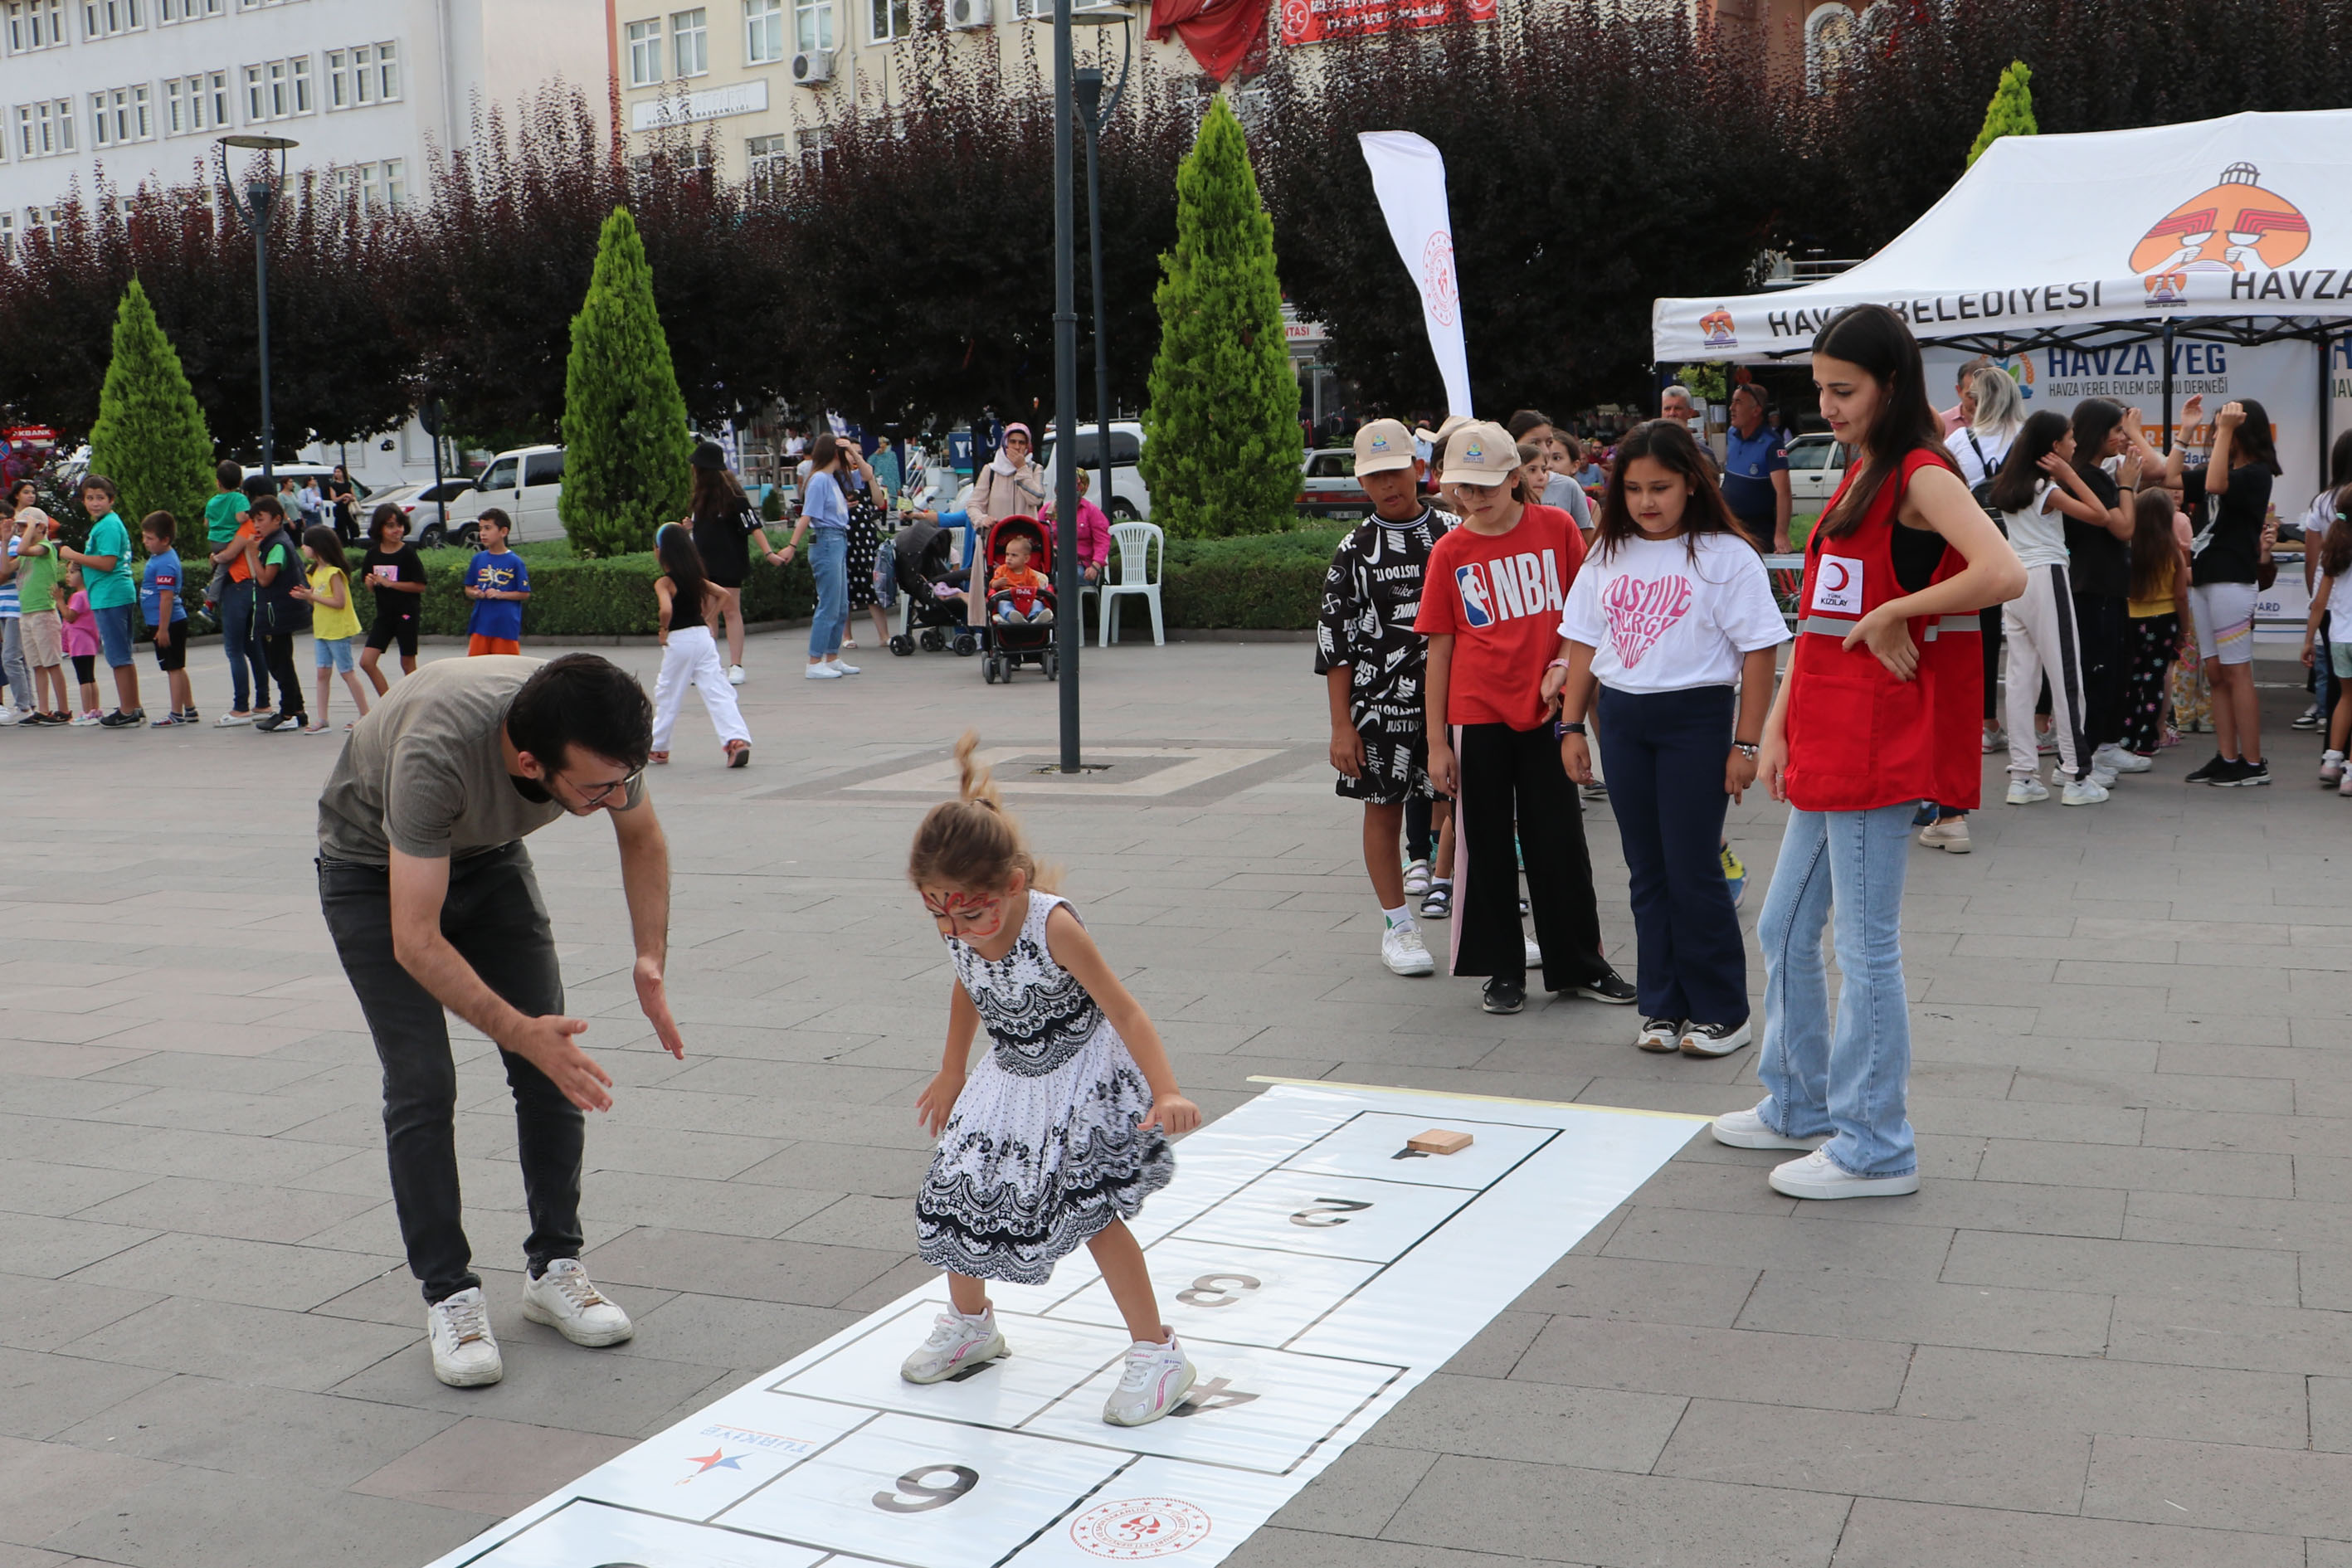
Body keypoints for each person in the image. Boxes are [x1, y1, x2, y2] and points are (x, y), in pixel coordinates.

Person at [1712, 304, 2023, 1200]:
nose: (1828, 405)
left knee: (1864, 945)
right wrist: (1778, 727)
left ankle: (1876, 1143)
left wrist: (1899, 611)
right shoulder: (1865, 471)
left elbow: (2002, 570)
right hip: (1833, 734)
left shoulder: (1920, 474)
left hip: (1876, 746)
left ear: (1890, 385)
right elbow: (1820, 620)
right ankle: (1801, 1102)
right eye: (1818, 389)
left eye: (1843, 390)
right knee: (1783, 928)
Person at [317, 653, 680, 1387]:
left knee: (553, 1064)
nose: (613, 797)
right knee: (422, 1081)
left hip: (487, 857)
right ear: (527, 760)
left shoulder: (592, 729)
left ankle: (555, 1267)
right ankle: (449, 1293)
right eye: (594, 789)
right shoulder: (437, 752)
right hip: (369, 868)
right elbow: (414, 939)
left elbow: (641, 835)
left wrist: (648, 957)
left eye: (621, 782)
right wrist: (516, 1029)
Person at [903, 733, 1201, 1426]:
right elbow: (966, 985)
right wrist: (952, 1069)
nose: (955, 927)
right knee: (957, 1193)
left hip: (1080, 1077)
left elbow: (1123, 1008)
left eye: (969, 912)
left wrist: (1167, 1090)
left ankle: (1159, 1354)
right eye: (937, 912)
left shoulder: (1052, 924)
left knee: (1093, 1212)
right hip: (1010, 1072)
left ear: (1011, 884)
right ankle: (970, 1325)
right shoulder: (959, 922)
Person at [1551, 420, 1787, 1057]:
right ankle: (1661, 1008)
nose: (1646, 502)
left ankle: (1723, 1013)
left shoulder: (1725, 555)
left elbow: (1760, 652)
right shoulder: (1605, 552)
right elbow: (1582, 643)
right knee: (1645, 871)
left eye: (1660, 487)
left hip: (1697, 721)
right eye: (1632, 489)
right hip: (1623, 721)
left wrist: (1745, 745)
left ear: (1691, 484)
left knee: (1692, 870)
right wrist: (1571, 726)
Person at [1417, 420, 1635, 1016]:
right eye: (1463, 486)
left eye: (1488, 483)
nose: (1475, 496)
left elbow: (1586, 616)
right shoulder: (1450, 551)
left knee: (1558, 839)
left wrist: (1564, 667)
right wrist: (1436, 744)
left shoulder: (1558, 528)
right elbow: (1438, 649)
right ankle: (1501, 971)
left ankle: (1579, 965)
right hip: (1474, 714)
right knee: (1484, 844)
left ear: (1517, 477)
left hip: (1546, 712)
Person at [1317, 418, 1454, 979]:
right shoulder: (1352, 551)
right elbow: (1335, 644)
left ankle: (1484, 915)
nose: (1387, 486)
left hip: (1458, 703)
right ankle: (1398, 926)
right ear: (1360, 482)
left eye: (1395, 472)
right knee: (1383, 811)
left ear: (1418, 469)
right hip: (1379, 707)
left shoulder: (1454, 531)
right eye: (1374, 477)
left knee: (1473, 810)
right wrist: (1340, 727)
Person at [1986, 411, 2110, 805]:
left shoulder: (2011, 484)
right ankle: (2075, 776)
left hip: (2016, 580)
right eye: (2070, 438)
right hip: (2046, 576)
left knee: (2022, 681)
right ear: (2055, 446)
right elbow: (2100, 515)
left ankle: (2023, 777)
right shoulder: (2046, 488)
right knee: (2065, 676)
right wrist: (2070, 475)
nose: (2075, 444)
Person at [2173, 394, 2281, 786]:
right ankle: (2227, 755)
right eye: (2217, 427)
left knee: (2237, 673)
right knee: (2216, 672)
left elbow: (2217, 483)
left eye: (2226, 427)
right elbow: (2169, 476)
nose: (2218, 432)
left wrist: (2224, 431)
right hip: (2204, 578)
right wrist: (2185, 431)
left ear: (2242, 431)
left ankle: (2253, 763)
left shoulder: (2256, 474)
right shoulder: (2218, 466)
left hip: (2232, 580)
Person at [2065, 399, 2164, 785]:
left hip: (2105, 585)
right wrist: (2126, 483)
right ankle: (2079, 758)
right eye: (2117, 430)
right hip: (2092, 587)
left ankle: (2102, 745)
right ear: (2097, 431)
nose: (2122, 438)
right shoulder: (2087, 477)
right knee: (2097, 672)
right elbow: (2123, 527)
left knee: (2114, 670)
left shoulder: (2092, 475)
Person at [1945, 365, 2027, 758]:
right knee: (2031, 641)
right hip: (2026, 546)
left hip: (1976, 548)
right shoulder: (2028, 437)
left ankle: (1986, 722)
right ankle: (2039, 724)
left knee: (1984, 635)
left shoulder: (1961, 439)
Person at [650, 523, 752, 768]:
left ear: (662, 552)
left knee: (668, 692)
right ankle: (736, 739)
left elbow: (666, 608)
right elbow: (723, 595)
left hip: (679, 640)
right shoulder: (696, 579)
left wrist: (663, 629)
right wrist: (709, 618)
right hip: (703, 638)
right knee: (717, 690)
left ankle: (659, 746)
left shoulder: (664, 583)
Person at [685, 441, 786, 684]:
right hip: (704, 565)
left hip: (730, 562)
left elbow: (754, 527)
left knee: (730, 611)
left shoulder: (735, 498)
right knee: (706, 614)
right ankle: (707, 667)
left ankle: (736, 665)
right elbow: (700, 528)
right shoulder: (699, 499)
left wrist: (769, 553)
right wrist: (689, 527)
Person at [52, 475, 144, 728]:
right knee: (122, 654)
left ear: (111, 500)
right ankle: (133, 706)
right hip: (111, 594)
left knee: (117, 656)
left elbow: (108, 562)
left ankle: (127, 710)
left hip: (111, 594)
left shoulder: (108, 526)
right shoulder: (104, 524)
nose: (95, 503)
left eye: (100, 498)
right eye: (90, 498)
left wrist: (74, 555)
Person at [2122, 489, 2191, 764]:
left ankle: (2126, 736)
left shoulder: (2128, 549)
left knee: (2132, 679)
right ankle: (2149, 739)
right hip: (2164, 620)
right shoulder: (2173, 552)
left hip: (2131, 618)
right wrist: (2184, 631)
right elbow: (2181, 596)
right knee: (2155, 679)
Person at [782, 433, 855, 679]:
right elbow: (808, 515)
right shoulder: (819, 481)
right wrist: (792, 545)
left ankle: (831, 657)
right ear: (835, 453)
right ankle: (814, 661)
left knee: (841, 604)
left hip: (837, 540)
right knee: (829, 605)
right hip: (826, 541)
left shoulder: (831, 479)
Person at [204, 461, 268, 723]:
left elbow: (228, 554)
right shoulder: (258, 525)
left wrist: (216, 558)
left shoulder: (245, 526)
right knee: (253, 647)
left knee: (234, 649)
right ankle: (262, 703)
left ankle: (240, 707)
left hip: (236, 584)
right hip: (251, 585)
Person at [295, 525, 370, 733]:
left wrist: (311, 597)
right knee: (322, 673)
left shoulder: (334, 573)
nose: (303, 547)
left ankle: (365, 714)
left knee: (347, 672)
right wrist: (306, 596)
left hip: (338, 630)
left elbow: (339, 602)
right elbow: (318, 601)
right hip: (322, 630)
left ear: (317, 547)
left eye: (307, 544)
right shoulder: (313, 572)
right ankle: (322, 719)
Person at [244, 494, 309, 733]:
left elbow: (264, 579)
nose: (257, 525)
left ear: (277, 519)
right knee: (281, 662)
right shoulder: (273, 543)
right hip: (275, 614)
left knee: (280, 663)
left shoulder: (278, 545)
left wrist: (251, 553)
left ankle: (288, 711)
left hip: (277, 615)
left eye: (261, 519)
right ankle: (297, 710)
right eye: (254, 520)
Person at [2306, 489, 2352, 791]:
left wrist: (2309, 640)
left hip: (2339, 637)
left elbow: (2319, 602)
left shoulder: (2334, 551)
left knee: (2346, 698)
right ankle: (2350, 774)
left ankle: (2332, 760)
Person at [12, 500, 69, 725]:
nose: (21, 531)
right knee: (37, 664)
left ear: (41, 528)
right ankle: (43, 709)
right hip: (27, 612)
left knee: (51, 663)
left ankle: (63, 709)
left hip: (44, 612)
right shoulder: (27, 552)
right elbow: (7, 567)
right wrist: (7, 538)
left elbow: (22, 548)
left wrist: (32, 526)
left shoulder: (44, 547)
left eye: (26, 527)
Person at [138, 513, 196, 727]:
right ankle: (189, 708)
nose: (145, 542)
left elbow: (166, 597)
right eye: (144, 537)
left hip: (169, 623)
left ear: (165, 540)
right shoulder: (159, 557)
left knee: (173, 668)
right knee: (177, 666)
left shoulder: (165, 563)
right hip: (166, 623)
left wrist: (163, 629)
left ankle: (176, 713)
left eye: (150, 538)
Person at [360, 504, 426, 693]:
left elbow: (420, 586)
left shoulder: (407, 553)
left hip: (406, 614)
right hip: (384, 616)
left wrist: (391, 584)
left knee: (407, 664)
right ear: (379, 528)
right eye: (390, 526)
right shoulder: (373, 554)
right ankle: (388, 703)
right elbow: (369, 586)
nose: (397, 530)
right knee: (367, 661)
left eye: (399, 525)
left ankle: (415, 703)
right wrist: (370, 583)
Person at [1720, 384, 1793, 552]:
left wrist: (1781, 534)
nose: (1732, 408)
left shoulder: (1771, 443)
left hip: (1757, 531)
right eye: (1732, 402)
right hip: (1728, 525)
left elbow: (1784, 492)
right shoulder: (1731, 433)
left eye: (1739, 402)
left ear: (1756, 410)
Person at [1506, 409, 1593, 530]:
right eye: (1534, 443)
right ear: (1512, 443)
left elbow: (1586, 541)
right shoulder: (1501, 488)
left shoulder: (1568, 486)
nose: (1545, 451)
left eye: (1549, 442)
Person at [464, 509, 530, 657]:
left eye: (488, 528)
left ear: (503, 531)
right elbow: (468, 588)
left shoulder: (515, 561)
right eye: (480, 528)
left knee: (505, 666)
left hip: (505, 625)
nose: (482, 533)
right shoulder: (478, 559)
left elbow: (524, 593)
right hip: (481, 624)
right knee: (476, 665)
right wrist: (475, 593)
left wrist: (500, 594)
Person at [966, 423, 1049, 534]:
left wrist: (1022, 469)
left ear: (1027, 446)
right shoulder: (991, 470)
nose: (1017, 447)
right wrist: (982, 519)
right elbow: (973, 505)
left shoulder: (1035, 469)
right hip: (995, 541)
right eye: (1012, 442)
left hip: (1024, 542)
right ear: (1005, 444)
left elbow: (1036, 499)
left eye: (1022, 443)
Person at [56, 561, 101, 724]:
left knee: (83, 679)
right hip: (90, 642)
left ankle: (87, 712)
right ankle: (95, 710)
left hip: (79, 643)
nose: (68, 576)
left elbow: (70, 616)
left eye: (72, 572)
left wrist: (60, 601)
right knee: (90, 677)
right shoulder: (90, 594)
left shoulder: (78, 596)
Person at [987, 533, 1054, 625]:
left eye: (1014, 555)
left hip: (1027, 600)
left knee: (1038, 604)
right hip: (1008, 598)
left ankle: (1035, 616)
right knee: (1002, 604)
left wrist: (1036, 596)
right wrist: (997, 583)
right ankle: (1012, 615)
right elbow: (992, 585)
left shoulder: (1030, 574)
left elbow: (1036, 591)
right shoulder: (1002, 570)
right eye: (1007, 554)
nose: (1009, 558)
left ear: (1026, 559)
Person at [0, 486, 24, 724]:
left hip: (16, 607)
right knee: (15, 658)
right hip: (2, 608)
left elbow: (4, 574)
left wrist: (6, 543)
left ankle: (22, 706)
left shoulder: (16, 544)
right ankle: (27, 704)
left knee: (11, 658)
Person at [1937, 354, 1990, 436]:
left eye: (1986, 396)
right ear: (1959, 390)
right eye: (1972, 396)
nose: (1980, 403)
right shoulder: (1940, 423)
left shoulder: (2007, 424)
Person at [327, 464, 362, 543]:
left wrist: (349, 498)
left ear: (343, 473)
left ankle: (354, 543)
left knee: (353, 527)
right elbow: (334, 499)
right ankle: (343, 544)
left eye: (339, 472)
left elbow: (354, 496)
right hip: (340, 509)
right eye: (335, 472)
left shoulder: (348, 484)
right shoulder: (333, 485)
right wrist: (344, 495)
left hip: (349, 509)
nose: (337, 474)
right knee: (341, 529)